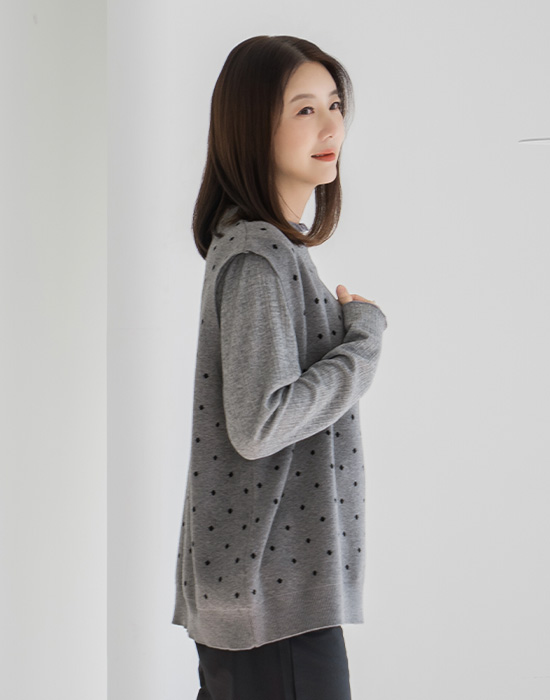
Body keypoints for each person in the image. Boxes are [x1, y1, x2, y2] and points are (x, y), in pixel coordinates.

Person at [172, 35, 388, 700]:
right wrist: (363, 339)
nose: (331, 127)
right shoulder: (258, 256)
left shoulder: (266, 249)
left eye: (335, 105)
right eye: (304, 110)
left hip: (270, 600)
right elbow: (261, 424)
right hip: (273, 606)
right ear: (250, 126)